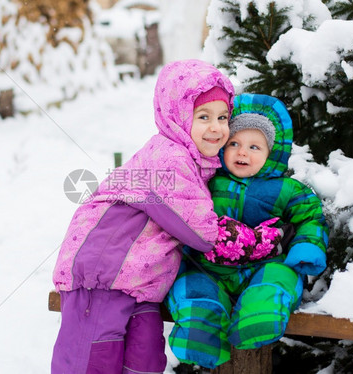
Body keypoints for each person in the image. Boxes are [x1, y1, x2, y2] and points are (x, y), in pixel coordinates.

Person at [50, 59, 236, 374]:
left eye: (223, 117)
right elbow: (201, 232)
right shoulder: (168, 157)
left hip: (141, 282)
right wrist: (242, 236)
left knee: (145, 362)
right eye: (203, 117)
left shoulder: (192, 160)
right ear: (177, 116)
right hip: (104, 275)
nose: (217, 127)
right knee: (93, 361)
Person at [166, 93, 329, 369]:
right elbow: (180, 207)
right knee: (192, 286)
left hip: (263, 266)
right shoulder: (206, 180)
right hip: (210, 268)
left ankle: (259, 315)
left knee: (281, 277)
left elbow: (310, 217)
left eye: (255, 147)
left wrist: (307, 248)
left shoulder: (286, 189)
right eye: (235, 144)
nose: (243, 152)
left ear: (272, 153)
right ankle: (200, 329)